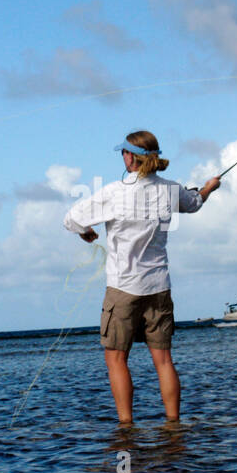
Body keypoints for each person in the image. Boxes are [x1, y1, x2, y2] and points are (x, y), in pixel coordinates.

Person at [63, 130, 220, 424]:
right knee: (162, 360)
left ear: (129, 157)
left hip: (123, 288)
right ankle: (173, 425)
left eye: (123, 153)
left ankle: (126, 427)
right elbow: (195, 203)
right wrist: (209, 187)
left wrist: (86, 233)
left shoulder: (114, 192)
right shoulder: (170, 190)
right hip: (159, 287)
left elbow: (71, 219)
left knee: (116, 359)